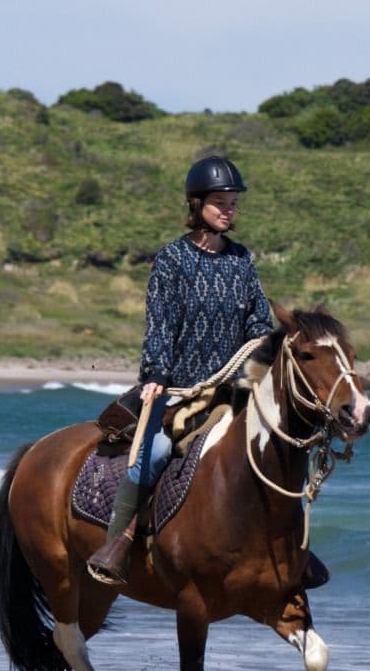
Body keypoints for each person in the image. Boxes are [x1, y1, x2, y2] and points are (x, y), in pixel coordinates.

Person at [87, 155, 319, 587]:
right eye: (220, 202)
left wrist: (261, 352)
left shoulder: (242, 260)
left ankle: (295, 549)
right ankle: (117, 544)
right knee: (153, 453)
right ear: (196, 205)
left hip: (231, 390)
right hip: (176, 388)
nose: (229, 210)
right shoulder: (172, 260)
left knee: (282, 449)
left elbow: (255, 323)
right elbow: (160, 321)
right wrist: (155, 372)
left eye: (233, 202)